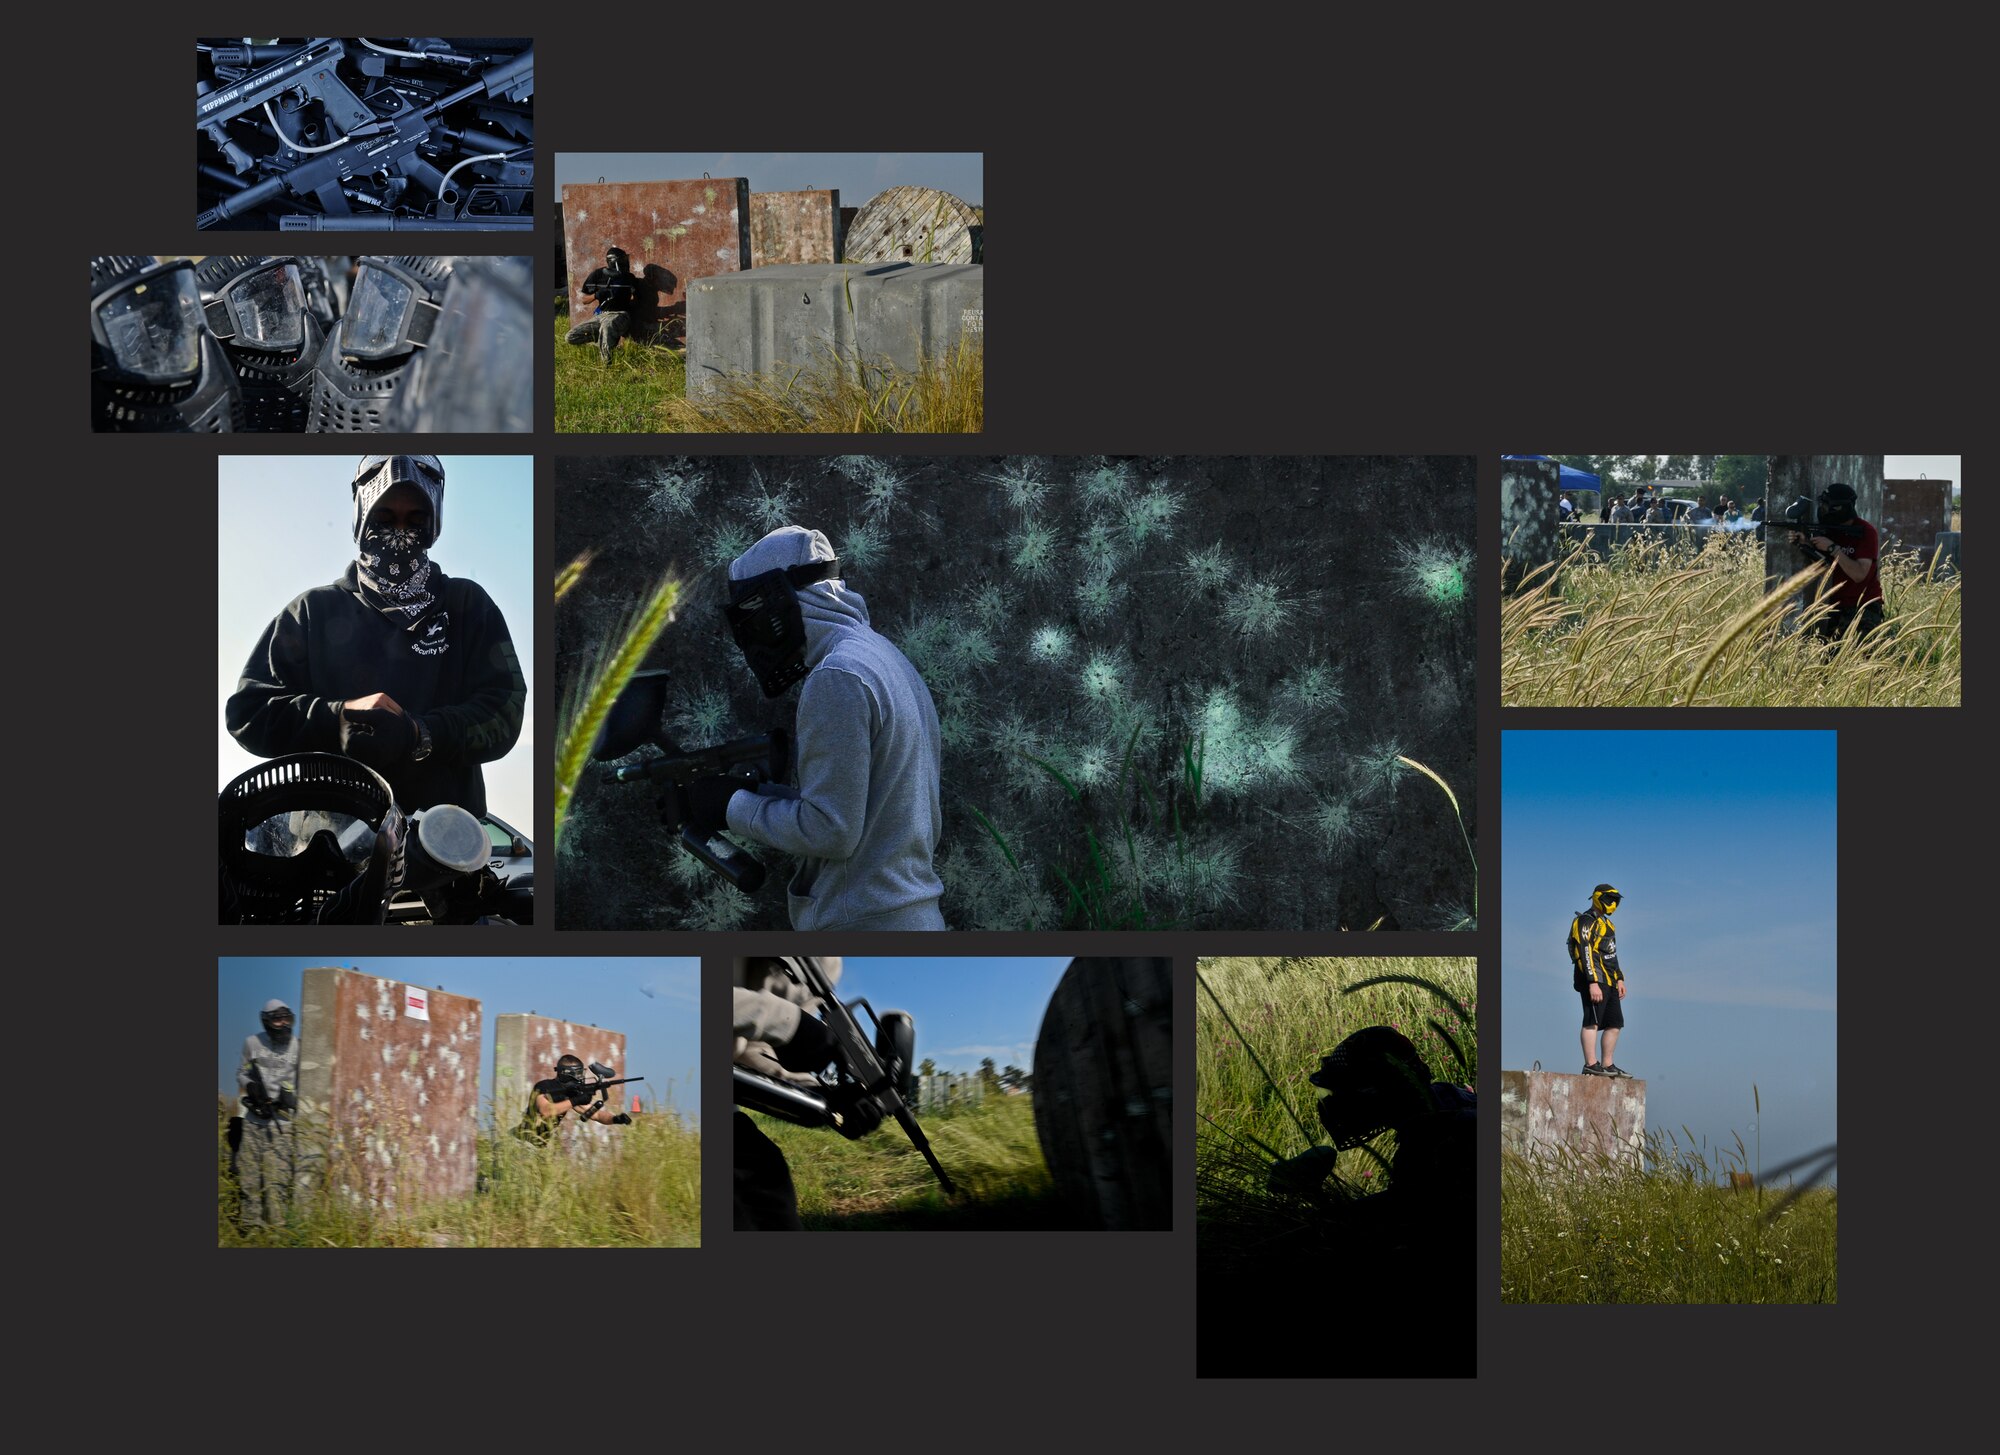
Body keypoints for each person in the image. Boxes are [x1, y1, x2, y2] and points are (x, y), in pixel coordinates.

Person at [226, 455, 526, 818]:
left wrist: (420, 733)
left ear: (433, 526)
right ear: (362, 520)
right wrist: (336, 718)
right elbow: (248, 714)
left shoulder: (466, 604)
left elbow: (505, 709)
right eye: (384, 519)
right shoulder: (311, 611)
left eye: (415, 520)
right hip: (327, 844)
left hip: (442, 847)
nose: (400, 532)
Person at [698, 526, 946, 931]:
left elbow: (831, 831)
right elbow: (863, 808)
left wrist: (732, 807)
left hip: (865, 926)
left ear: (781, 599)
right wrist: (763, 794)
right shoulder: (882, 656)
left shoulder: (837, 676)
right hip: (907, 917)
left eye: (754, 610)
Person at [733, 956, 845, 1230]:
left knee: (767, 1181)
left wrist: (823, 1096)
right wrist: (791, 1024)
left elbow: (750, 1047)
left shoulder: (830, 962)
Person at [233, 999, 301, 1231]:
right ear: (266, 1021)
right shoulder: (252, 1043)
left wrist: (292, 1097)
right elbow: (242, 1072)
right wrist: (250, 1086)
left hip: (282, 1122)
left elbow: (306, 1082)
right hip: (254, 1120)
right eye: (277, 1019)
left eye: (286, 1019)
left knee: (276, 1178)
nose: (282, 1024)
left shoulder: (298, 1047)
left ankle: (277, 1229)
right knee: (248, 1174)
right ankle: (250, 1226)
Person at [1793, 482, 1886, 640]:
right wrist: (1806, 544)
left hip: (1865, 609)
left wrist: (1833, 548)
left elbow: (1859, 574)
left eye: (1827, 505)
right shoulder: (1830, 530)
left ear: (1841, 508)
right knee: (1831, 661)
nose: (1823, 510)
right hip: (1837, 606)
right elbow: (1824, 566)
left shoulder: (1866, 532)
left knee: (1862, 661)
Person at [1568, 882, 1630, 1077]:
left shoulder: (1608, 925)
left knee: (1615, 1023)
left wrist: (1620, 978)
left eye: (1614, 900)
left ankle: (1607, 1064)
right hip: (1593, 978)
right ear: (1597, 898)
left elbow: (1612, 954)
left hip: (1610, 979)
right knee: (1591, 1020)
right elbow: (1584, 951)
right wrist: (1592, 982)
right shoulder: (1584, 921)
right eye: (1608, 899)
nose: (1612, 903)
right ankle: (1591, 1063)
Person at [515, 1054, 633, 1146]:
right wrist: (575, 1100)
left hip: (537, 1147)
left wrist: (616, 1119)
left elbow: (596, 1115)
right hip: (519, 1142)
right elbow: (545, 1110)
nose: (581, 1077)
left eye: (581, 1073)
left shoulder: (571, 1094)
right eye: (577, 1073)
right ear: (566, 1073)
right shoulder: (544, 1086)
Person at [566, 245, 643, 363]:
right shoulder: (597, 275)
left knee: (607, 327)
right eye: (622, 259)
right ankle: (601, 339)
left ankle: (606, 366)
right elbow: (584, 300)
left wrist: (624, 301)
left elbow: (638, 299)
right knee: (570, 337)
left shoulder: (629, 278)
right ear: (614, 261)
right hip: (600, 315)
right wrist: (597, 295)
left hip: (620, 315)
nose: (625, 262)